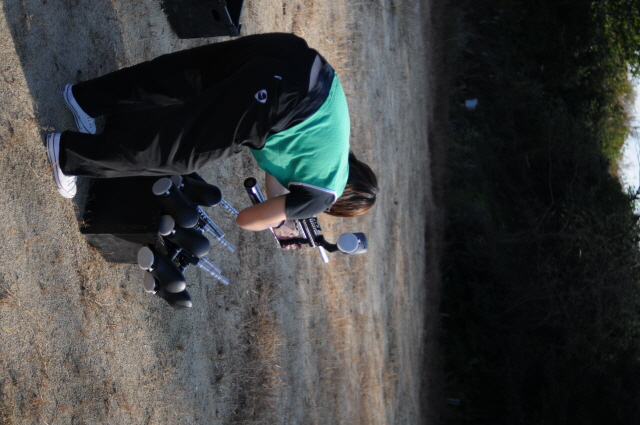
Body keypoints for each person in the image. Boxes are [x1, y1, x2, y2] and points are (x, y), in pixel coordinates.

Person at [45, 33, 378, 235]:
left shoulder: (333, 150)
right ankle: (67, 155)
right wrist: (280, 222)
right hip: (278, 97)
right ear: (337, 205)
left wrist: (282, 208)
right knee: (176, 155)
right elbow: (247, 220)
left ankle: (84, 98)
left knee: (181, 78)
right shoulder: (323, 196)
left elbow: (277, 171)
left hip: (292, 55)